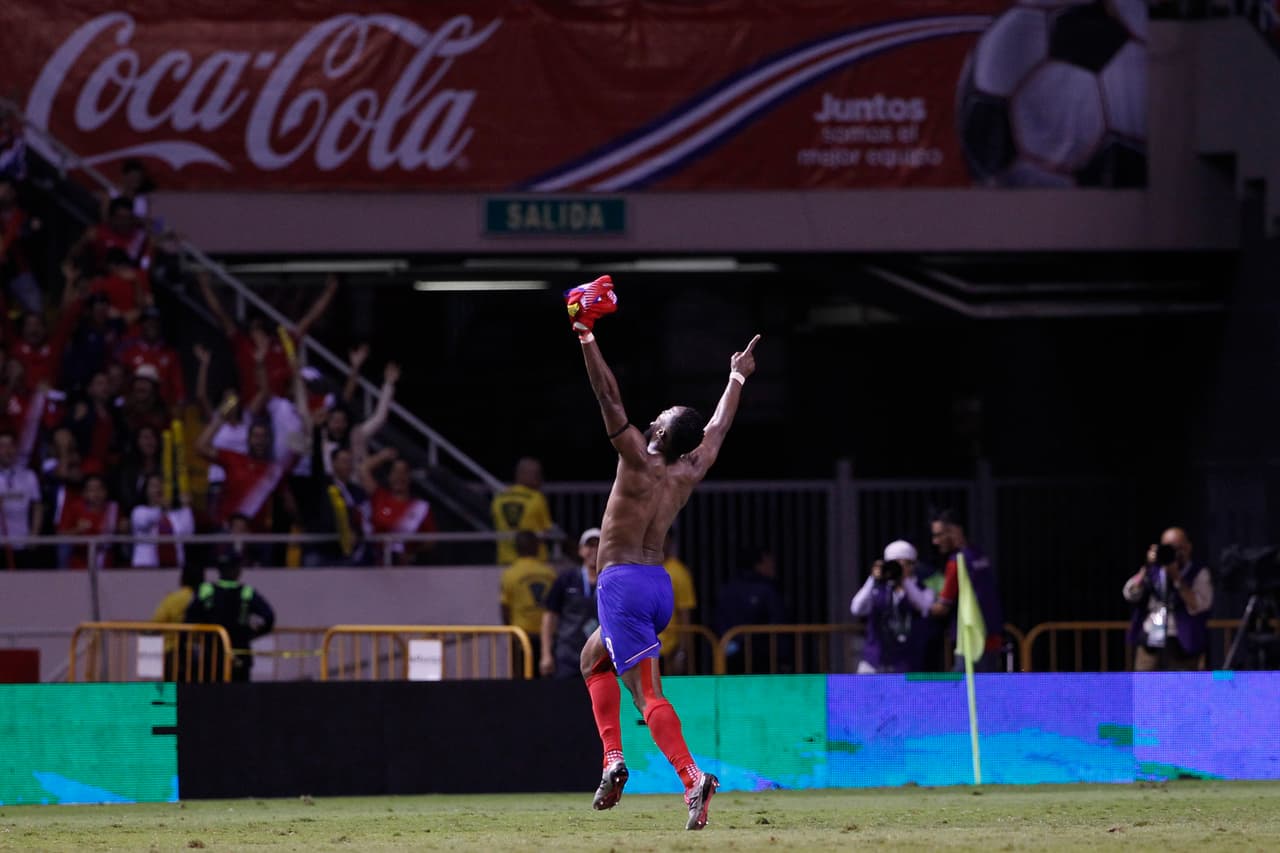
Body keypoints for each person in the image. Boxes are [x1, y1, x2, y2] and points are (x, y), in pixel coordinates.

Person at [566, 274, 758, 830]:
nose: (654, 416)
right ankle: (612, 759)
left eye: (662, 417)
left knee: (648, 695)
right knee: (591, 658)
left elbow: (607, 394)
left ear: (661, 432)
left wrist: (585, 334)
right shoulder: (687, 470)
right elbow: (718, 429)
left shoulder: (636, 457)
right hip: (658, 586)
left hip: (622, 584)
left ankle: (691, 778)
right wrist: (734, 378)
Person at [1123, 527, 1212, 671]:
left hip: (1183, 643)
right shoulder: (1153, 571)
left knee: (1180, 690)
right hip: (1151, 640)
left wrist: (1177, 577)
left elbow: (1199, 605)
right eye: (1168, 548)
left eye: (1178, 548)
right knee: (1148, 688)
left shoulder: (1198, 573)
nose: (1174, 553)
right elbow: (1130, 593)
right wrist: (1147, 567)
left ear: (1188, 547)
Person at [928, 508, 1005, 673]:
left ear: (955, 530)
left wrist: (919, 600)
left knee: (961, 693)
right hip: (992, 636)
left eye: (939, 534)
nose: (935, 541)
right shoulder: (979, 554)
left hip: (971, 639)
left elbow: (942, 607)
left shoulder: (957, 562)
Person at [184, 552, 275, 682]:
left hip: (212, 654)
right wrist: (252, 633)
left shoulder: (206, 590)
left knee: (211, 695)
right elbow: (269, 617)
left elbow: (189, 619)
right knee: (238, 697)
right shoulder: (246, 592)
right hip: (239, 654)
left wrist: (200, 635)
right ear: (238, 571)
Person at [850, 540, 936, 674]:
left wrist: (904, 581)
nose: (898, 567)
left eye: (904, 563)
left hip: (906, 661)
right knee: (865, 694)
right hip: (874, 659)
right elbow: (856, 608)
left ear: (912, 565)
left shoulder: (923, 590)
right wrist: (873, 579)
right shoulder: (877, 589)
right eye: (893, 564)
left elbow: (924, 606)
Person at [714, 545, 788, 674]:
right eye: (769, 562)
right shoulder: (766, 590)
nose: (773, 566)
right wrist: (784, 658)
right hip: (763, 658)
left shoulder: (727, 589)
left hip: (730, 656)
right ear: (758, 564)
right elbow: (778, 624)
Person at [541, 527, 601, 679]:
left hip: (602, 657)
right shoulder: (566, 579)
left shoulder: (613, 581)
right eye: (589, 545)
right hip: (568, 657)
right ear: (581, 551)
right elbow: (549, 616)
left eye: (598, 545)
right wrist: (546, 654)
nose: (594, 550)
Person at [500, 530, 557, 675]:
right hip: (547, 636)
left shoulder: (510, 574)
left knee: (521, 678)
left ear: (516, 549)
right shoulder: (549, 573)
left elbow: (505, 607)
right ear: (537, 547)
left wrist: (510, 632)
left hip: (521, 635)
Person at [492, 457, 555, 565]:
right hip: (534, 561)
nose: (540, 479)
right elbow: (547, 530)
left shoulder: (499, 499)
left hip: (505, 560)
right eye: (537, 474)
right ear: (523, 474)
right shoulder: (537, 498)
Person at [129, 473, 196, 569]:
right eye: (153, 486)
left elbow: (189, 533)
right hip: (146, 568)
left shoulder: (175, 515)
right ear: (145, 490)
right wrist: (161, 506)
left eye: (161, 485)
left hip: (175, 567)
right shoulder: (139, 511)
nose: (158, 489)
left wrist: (186, 507)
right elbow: (146, 521)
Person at [152, 562, 204, 680]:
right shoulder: (203, 599)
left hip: (172, 652)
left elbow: (156, 623)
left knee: (172, 692)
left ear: (182, 578)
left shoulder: (172, 599)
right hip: (198, 654)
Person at [0, 429, 43, 569]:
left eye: (10, 446)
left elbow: (37, 506)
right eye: (2, 446)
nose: (7, 450)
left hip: (23, 542)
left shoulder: (29, 476)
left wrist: (34, 534)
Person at [659, 530, 698, 674]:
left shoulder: (679, 573)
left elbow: (685, 614)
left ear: (669, 542)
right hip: (641, 649)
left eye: (662, 537)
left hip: (668, 649)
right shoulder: (640, 569)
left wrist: (682, 652)